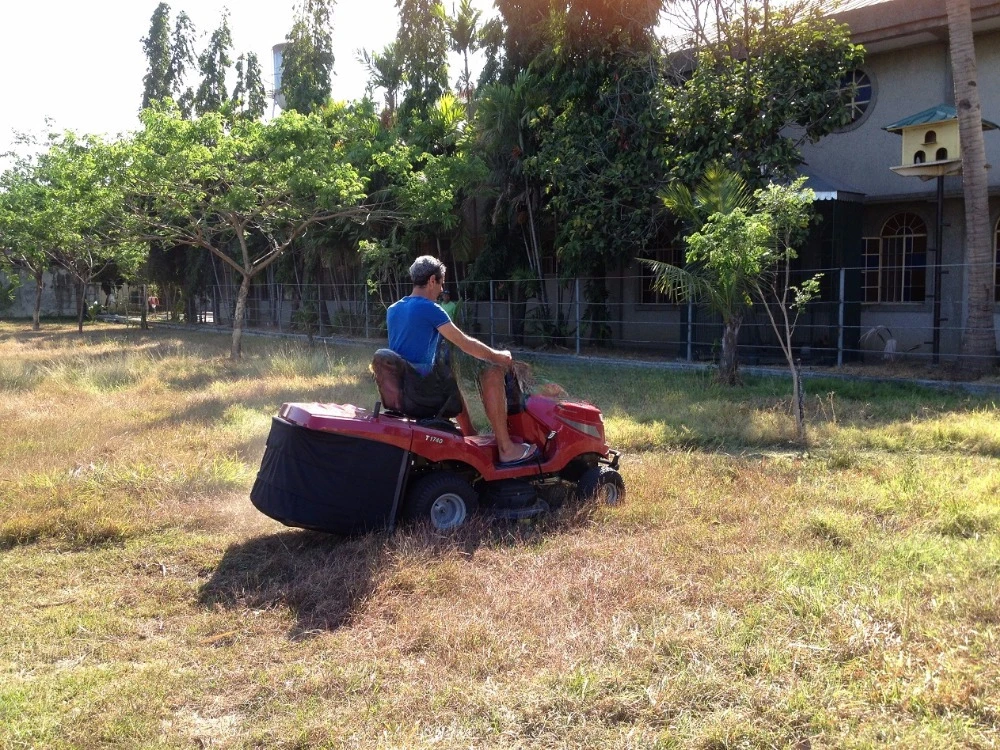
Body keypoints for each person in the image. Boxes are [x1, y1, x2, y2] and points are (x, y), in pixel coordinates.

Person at [386, 255, 538, 465]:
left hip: (405, 390)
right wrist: (498, 357)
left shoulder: (393, 310)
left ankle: (469, 434)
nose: (441, 290)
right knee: (491, 371)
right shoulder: (429, 308)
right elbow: (464, 342)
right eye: (441, 283)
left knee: (448, 377)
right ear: (432, 280)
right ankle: (506, 448)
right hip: (423, 392)